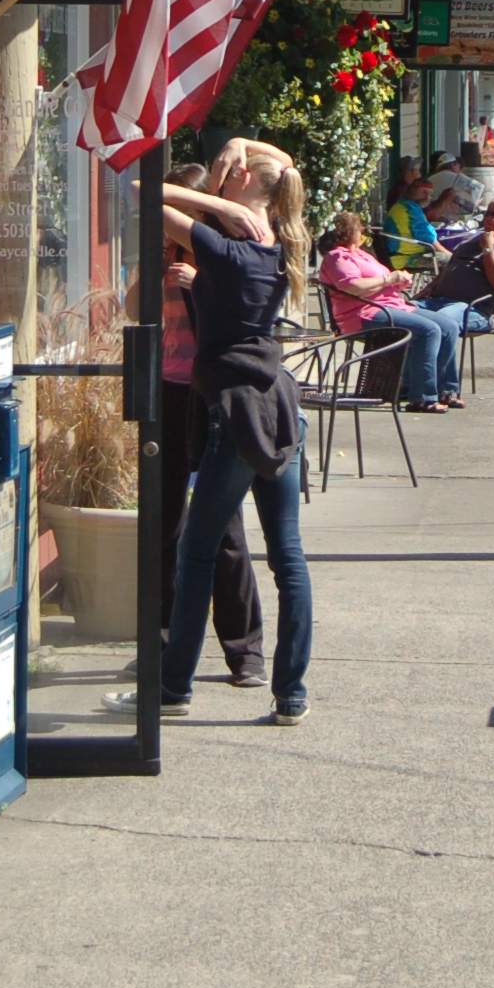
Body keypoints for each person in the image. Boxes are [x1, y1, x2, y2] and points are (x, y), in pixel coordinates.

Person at [159, 136, 314, 725]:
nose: (230, 174)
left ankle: (174, 687)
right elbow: (286, 168)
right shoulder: (284, 239)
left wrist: (222, 210)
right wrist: (239, 145)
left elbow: (141, 191)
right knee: (288, 557)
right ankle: (291, 693)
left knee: (196, 552)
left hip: (236, 410)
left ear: (250, 187)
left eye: (238, 172)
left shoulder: (228, 245)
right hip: (278, 405)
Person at [160, 190, 267, 685]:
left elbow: (225, 323)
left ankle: (243, 650)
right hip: (166, 389)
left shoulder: (222, 259)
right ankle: (164, 641)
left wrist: (196, 284)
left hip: (209, 394)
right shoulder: (164, 260)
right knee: (164, 522)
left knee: (224, 529)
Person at [405, 199, 494, 408]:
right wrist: (424, 294)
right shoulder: (468, 243)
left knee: (443, 322)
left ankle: (445, 390)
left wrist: (489, 250)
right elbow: (447, 272)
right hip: (438, 301)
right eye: (487, 213)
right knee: (401, 313)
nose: (488, 219)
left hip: (477, 309)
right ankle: (404, 384)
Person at [318, 211, 451, 406]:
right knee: (428, 330)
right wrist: (388, 279)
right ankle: (422, 397)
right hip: (362, 313)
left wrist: (397, 282)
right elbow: (353, 287)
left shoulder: (361, 254)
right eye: (358, 228)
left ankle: (447, 390)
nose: (362, 232)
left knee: (448, 326)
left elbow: (379, 282)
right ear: (348, 232)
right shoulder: (338, 256)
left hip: (390, 305)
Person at [424, 139, 493, 222]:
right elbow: (476, 196)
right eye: (458, 166)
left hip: (429, 218)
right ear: (453, 165)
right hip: (453, 221)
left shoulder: (429, 179)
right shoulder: (461, 179)